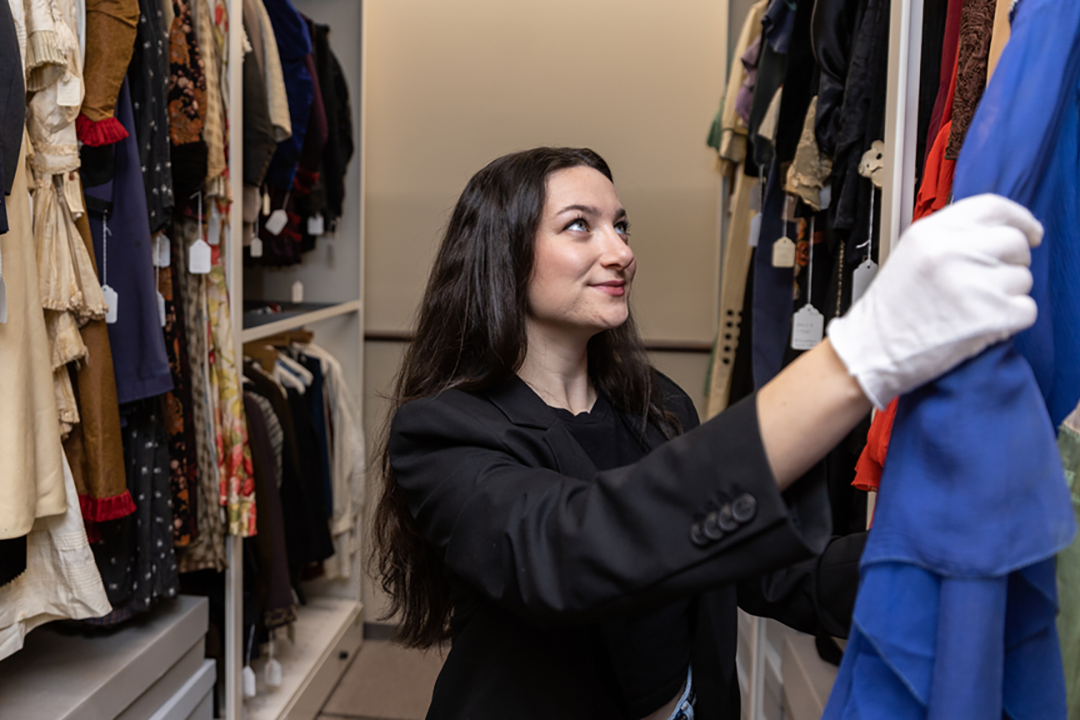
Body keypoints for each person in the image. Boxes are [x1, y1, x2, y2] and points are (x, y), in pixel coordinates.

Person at [372, 147, 1042, 720]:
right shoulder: (444, 430)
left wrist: (934, 556)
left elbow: (768, 570)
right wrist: (861, 356)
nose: (622, 251)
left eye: (621, 225)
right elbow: (569, 549)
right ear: (504, 254)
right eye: (581, 227)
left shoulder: (658, 405)